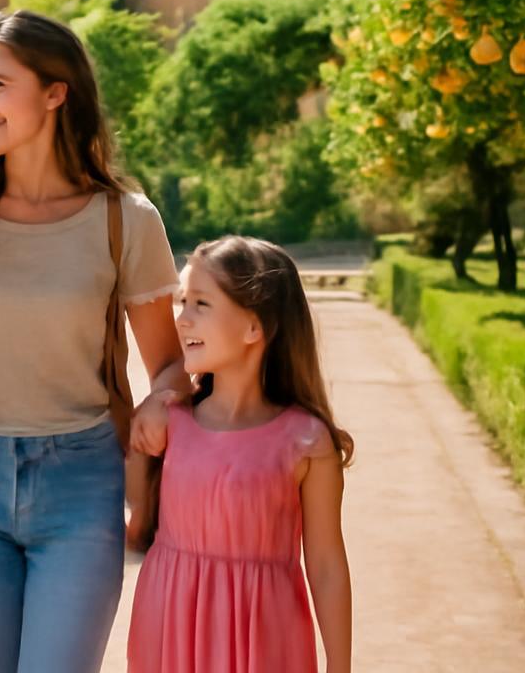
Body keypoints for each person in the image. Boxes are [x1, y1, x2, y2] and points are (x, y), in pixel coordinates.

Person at [0, 9, 190, 673]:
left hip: (81, 483)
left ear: (56, 93)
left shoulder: (125, 221)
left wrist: (159, 404)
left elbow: (170, 366)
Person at [126, 235, 354, 673]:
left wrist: (339, 667)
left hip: (265, 637)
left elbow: (325, 565)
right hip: (167, 628)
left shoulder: (307, 441)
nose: (181, 320)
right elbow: (134, 525)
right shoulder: (169, 423)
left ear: (255, 328)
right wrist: (154, 406)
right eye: (182, 301)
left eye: (200, 305)